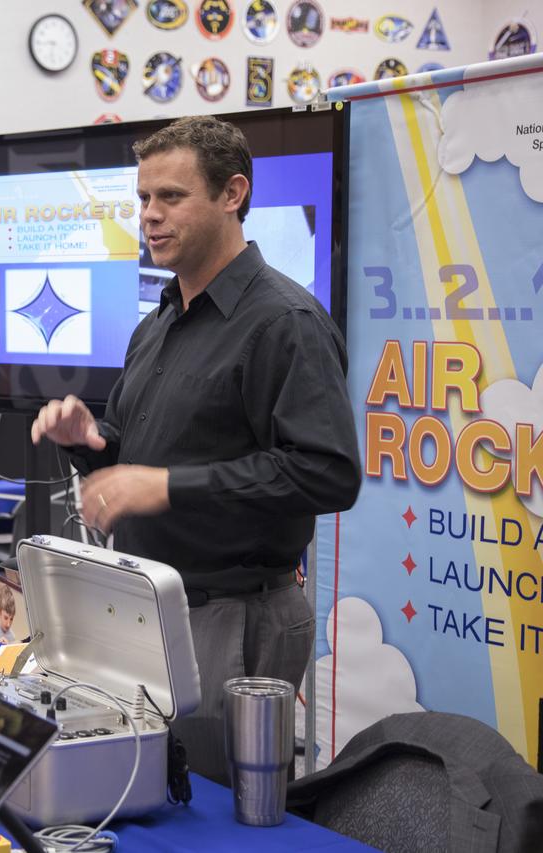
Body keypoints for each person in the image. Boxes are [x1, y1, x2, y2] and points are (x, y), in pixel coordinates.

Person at [30, 116, 361, 783]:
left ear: (233, 193)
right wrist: (92, 444)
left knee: (209, 819)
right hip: (150, 606)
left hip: (235, 617)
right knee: (152, 802)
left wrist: (165, 485)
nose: (149, 216)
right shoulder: (158, 324)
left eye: (171, 198)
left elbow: (327, 472)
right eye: (143, 199)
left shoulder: (284, 322)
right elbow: (139, 450)